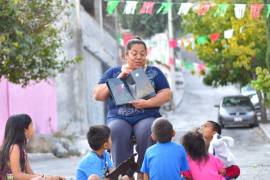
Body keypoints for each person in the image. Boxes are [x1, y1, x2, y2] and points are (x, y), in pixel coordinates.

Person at [93, 37, 172, 178]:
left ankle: (144, 174)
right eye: (134, 53)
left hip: (147, 115)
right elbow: (97, 95)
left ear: (146, 55)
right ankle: (124, 175)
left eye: (142, 53)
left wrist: (146, 103)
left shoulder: (154, 72)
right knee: (116, 130)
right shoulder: (113, 72)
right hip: (118, 117)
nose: (138, 57)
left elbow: (166, 94)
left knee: (147, 129)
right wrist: (119, 77)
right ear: (126, 55)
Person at [0, 114, 64, 180]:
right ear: (25, 130)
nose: (34, 129)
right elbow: (17, 175)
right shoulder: (14, 147)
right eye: (31, 125)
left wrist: (51, 177)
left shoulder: (21, 148)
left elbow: (30, 174)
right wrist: (44, 178)